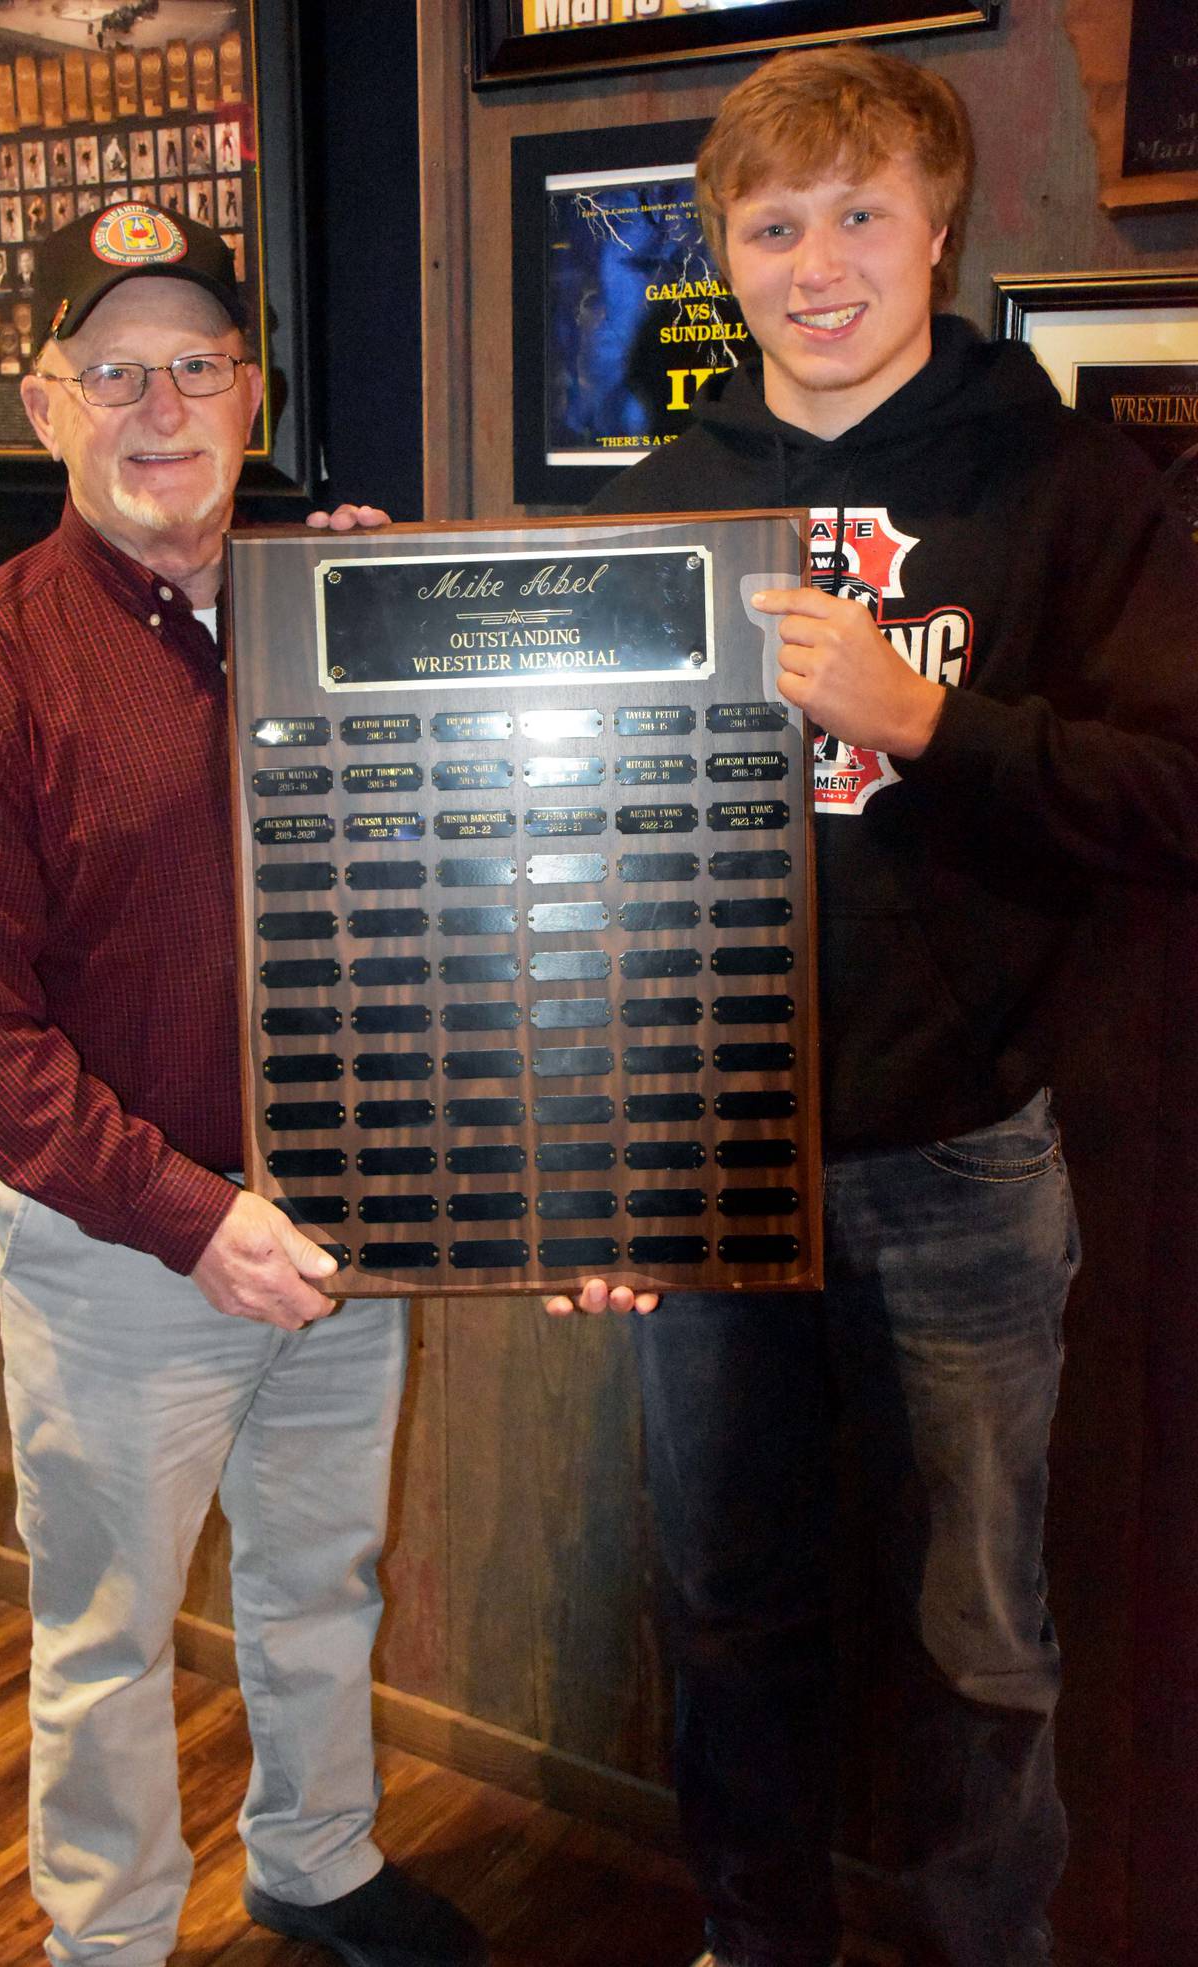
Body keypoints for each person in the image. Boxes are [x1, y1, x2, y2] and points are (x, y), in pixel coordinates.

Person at [549, 45, 1198, 1967]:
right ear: (722, 258)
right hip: (710, 1150)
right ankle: (755, 1942)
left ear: (935, 230)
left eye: (859, 215)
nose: (817, 260)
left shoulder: (1070, 481)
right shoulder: (659, 500)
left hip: (966, 1152)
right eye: (773, 223)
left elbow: (1179, 795)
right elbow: (567, 864)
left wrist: (931, 723)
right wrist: (589, 1153)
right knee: (726, 1603)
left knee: (982, 1627)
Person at [0, 203, 486, 1967]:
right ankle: (113, 1939)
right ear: (41, 406)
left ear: (252, 391)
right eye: (113, 370)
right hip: (119, 1257)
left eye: (196, 366)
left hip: (340, 1218)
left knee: (319, 1584)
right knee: (109, 1635)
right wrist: (189, 1218)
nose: (161, 406)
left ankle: (315, 1859)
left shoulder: (339, 607)